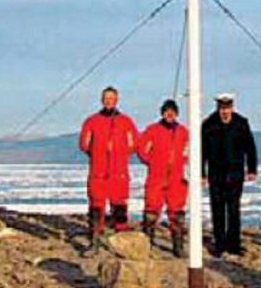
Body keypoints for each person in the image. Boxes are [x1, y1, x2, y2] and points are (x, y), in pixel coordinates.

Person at [78, 85, 140, 246]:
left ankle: (121, 239)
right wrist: (99, 153)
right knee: (96, 204)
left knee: (119, 203)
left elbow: (134, 143)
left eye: (111, 99)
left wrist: (120, 153)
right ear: (101, 100)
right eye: (106, 98)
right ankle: (95, 238)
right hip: (98, 171)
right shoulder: (92, 121)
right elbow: (84, 144)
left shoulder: (126, 121)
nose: (108, 101)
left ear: (117, 100)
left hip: (119, 171)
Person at [201, 92, 258, 257]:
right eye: (222, 108)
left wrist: (252, 169)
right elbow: (202, 150)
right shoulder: (209, 124)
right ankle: (219, 244)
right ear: (218, 108)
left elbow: (250, 148)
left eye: (227, 108)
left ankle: (234, 243)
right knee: (217, 209)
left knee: (234, 209)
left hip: (235, 173)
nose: (224, 111)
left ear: (232, 107)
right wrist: (201, 173)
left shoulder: (241, 123)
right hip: (216, 173)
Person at [136, 99, 190, 257]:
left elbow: (188, 150)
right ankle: (147, 244)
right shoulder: (153, 130)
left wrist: (181, 162)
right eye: (167, 111)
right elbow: (141, 147)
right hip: (157, 175)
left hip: (176, 176)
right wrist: (151, 161)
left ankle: (178, 246)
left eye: (172, 111)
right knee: (151, 210)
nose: (169, 114)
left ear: (176, 113)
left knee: (177, 211)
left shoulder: (183, 131)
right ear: (162, 113)